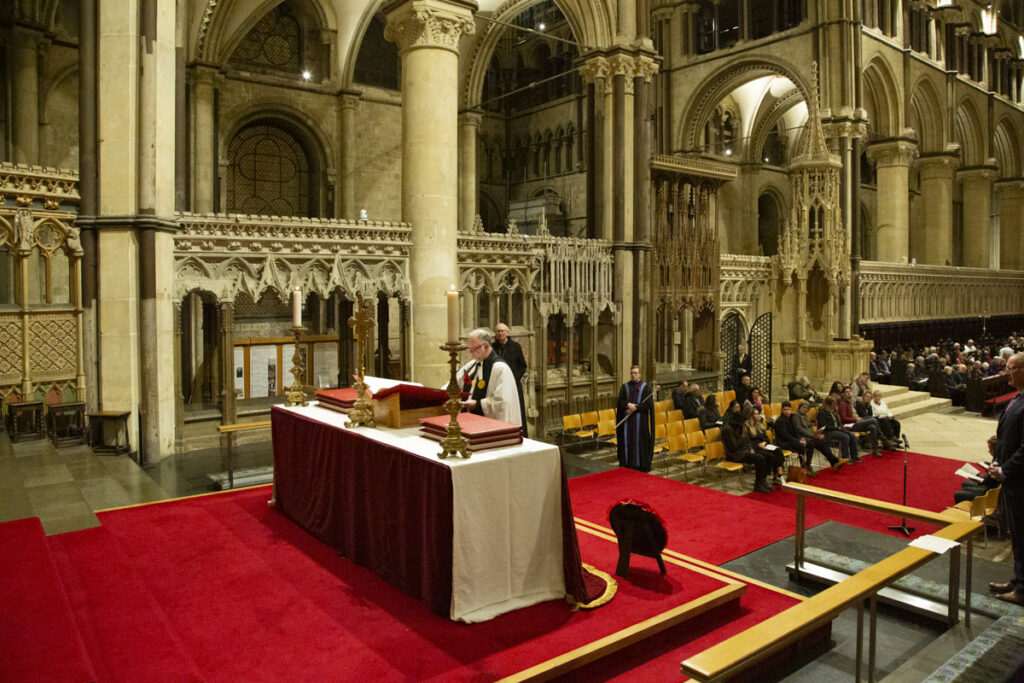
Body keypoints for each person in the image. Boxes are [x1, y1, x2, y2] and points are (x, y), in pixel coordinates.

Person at [986, 352, 1024, 605]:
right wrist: (998, 456)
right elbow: (1011, 437)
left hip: (1020, 481)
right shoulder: (1018, 398)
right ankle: (1018, 579)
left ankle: (1022, 589)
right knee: (1016, 533)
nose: (1006, 372)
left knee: (1022, 533)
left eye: (1011, 368)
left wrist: (1005, 469)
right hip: (1013, 480)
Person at [459, 328, 523, 426]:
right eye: (469, 349)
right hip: (468, 420)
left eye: (473, 349)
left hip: (487, 425)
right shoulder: (473, 365)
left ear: (485, 346)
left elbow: (501, 403)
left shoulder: (500, 368)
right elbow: (457, 382)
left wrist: (477, 405)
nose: (470, 353)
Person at [722, 405, 772, 494]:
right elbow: (733, 447)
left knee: (767, 456)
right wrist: (742, 436)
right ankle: (758, 485)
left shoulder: (740, 426)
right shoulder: (727, 430)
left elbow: (748, 441)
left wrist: (750, 448)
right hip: (734, 455)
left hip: (744, 451)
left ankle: (762, 481)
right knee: (759, 458)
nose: (744, 423)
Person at [615, 365, 655, 472]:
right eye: (632, 373)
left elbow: (647, 406)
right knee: (627, 443)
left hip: (640, 423)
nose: (633, 375)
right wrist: (627, 406)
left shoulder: (646, 388)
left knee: (639, 444)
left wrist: (635, 408)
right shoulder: (625, 387)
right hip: (627, 423)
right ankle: (627, 463)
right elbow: (620, 402)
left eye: (636, 373)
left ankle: (640, 465)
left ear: (640, 374)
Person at [789, 401, 848, 472]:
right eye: (803, 407)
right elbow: (799, 429)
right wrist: (813, 435)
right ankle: (835, 461)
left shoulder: (806, 416)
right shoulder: (796, 416)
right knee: (818, 443)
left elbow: (810, 428)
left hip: (810, 436)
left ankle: (834, 462)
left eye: (807, 408)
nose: (805, 409)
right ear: (799, 408)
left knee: (823, 442)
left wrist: (815, 433)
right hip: (802, 437)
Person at [492, 322, 528, 437]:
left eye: (503, 331)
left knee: (515, 411)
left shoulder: (515, 347)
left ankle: (519, 435)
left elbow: (523, 366)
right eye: (498, 331)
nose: (500, 333)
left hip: (513, 386)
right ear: (495, 333)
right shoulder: (492, 347)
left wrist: (513, 379)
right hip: (496, 386)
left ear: (507, 332)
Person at [839, 385, 883, 456]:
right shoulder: (842, 404)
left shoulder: (850, 402)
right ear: (843, 394)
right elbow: (844, 419)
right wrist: (856, 419)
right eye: (846, 392)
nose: (849, 393)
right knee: (873, 420)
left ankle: (875, 449)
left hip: (855, 422)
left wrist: (857, 418)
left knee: (872, 427)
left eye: (850, 391)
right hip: (849, 425)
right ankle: (883, 438)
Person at [745, 405, 784, 483]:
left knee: (778, 450)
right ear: (751, 415)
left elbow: (766, 438)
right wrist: (759, 445)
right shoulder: (746, 426)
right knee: (770, 455)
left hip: (763, 446)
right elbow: (747, 442)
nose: (758, 415)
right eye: (755, 414)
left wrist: (764, 442)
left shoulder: (759, 425)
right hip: (754, 448)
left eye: (758, 414)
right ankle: (764, 478)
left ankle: (779, 475)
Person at [818, 396, 862, 463]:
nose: (834, 406)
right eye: (833, 404)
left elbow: (838, 422)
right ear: (828, 404)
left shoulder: (834, 412)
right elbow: (825, 426)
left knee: (852, 435)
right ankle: (845, 457)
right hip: (827, 431)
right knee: (845, 437)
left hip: (836, 429)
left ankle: (855, 456)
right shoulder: (822, 413)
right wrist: (838, 428)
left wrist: (842, 426)